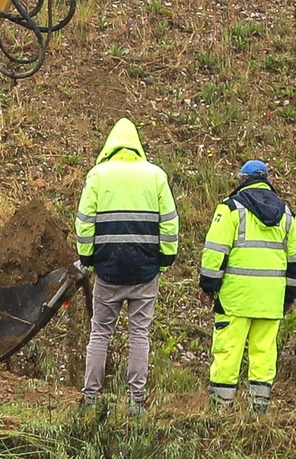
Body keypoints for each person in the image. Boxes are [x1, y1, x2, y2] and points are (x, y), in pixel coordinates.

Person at [75, 118, 178, 416]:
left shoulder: (97, 175)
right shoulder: (156, 176)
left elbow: (84, 222)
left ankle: (90, 399)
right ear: (137, 145)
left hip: (108, 272)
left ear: (110, 145)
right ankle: (136, 401)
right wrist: (165, 258)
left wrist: (88, 258)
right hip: (146, 271)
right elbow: (169, 223)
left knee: (100, 333)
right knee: (139, 334)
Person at [199, 160, 296, 413]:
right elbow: (294, 261)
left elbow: (214, 251)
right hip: (271, 299)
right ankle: (259, 409)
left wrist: (208, 286)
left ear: (242, 180)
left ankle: (220, 409)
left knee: (227, 350)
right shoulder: (287, 214)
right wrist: (289, 295)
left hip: (235, 297)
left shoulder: (231, 209)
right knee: (264, 352)